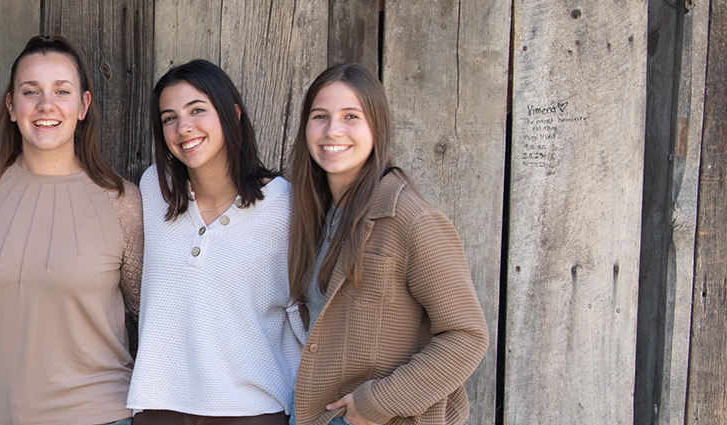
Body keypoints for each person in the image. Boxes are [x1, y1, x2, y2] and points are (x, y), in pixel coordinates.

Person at [0, 35, 141, 425]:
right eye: (30, 91)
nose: (45, 105)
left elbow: (152, 313)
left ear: (83, 105)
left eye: (62, 91)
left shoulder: (122, 202)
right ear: (11, 105)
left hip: (97, 415)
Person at [286, 63, 488, 425]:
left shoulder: (410, 218)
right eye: (320, 116)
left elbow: (466, 336)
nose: (333, 130)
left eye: (351, 116)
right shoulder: (316, 214)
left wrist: (377, 402)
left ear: (376, 127)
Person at [127, 60, 298, 425]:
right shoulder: (154, 189)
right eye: (169, 117)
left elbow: (302, 311)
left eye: (197, 110)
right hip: (160, 406)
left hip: (250, 409)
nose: (183, 127)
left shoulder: (284, 205)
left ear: (232, 114)